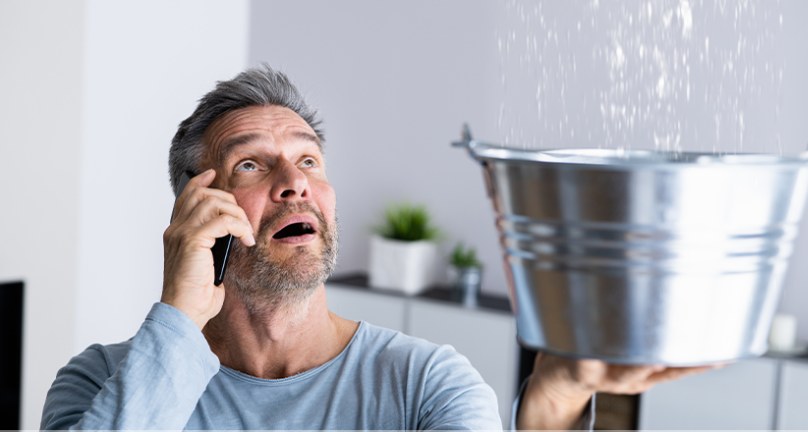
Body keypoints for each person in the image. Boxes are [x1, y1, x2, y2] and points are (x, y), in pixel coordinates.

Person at [40, 64, 711, 432]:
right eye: (252, 165)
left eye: (309, 161)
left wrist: (551, 406)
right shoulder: (101, 384)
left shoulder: (426, 387)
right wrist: (179, 317)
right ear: (194, 210)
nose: (295, 183)